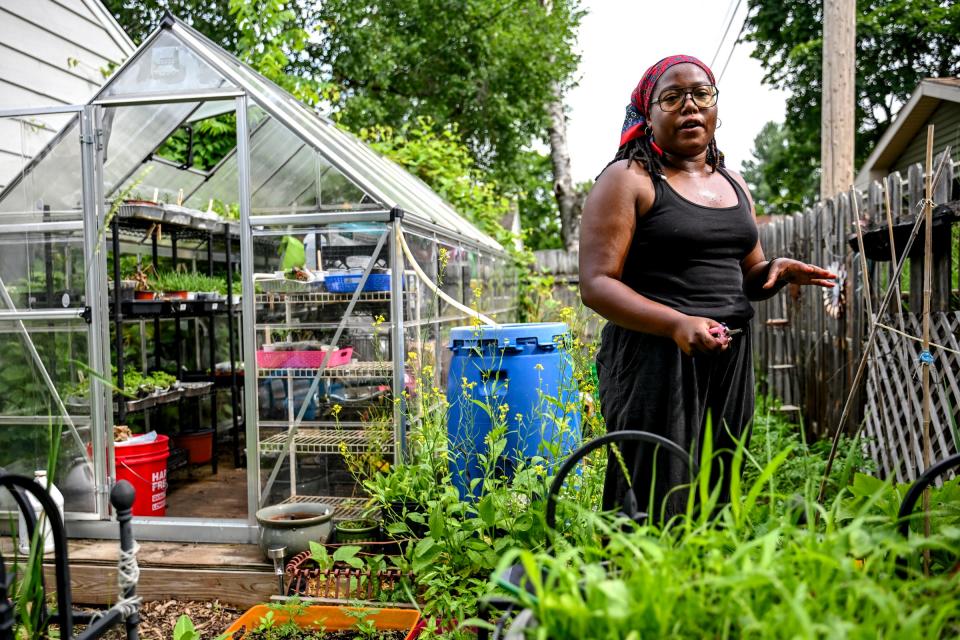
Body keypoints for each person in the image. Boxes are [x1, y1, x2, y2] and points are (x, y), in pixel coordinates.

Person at [579, 55, 836, 519]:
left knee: (721, 482)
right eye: (672, 98)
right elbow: (597, 285)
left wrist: (777, 270)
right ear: (648, 114)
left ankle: (705, 584)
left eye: (701, 95)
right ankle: (635, 585)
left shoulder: (734, 183)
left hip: (728, 351)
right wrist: (678, 323)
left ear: (716, 107)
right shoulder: (628, 180)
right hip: (654, 356)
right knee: (656, 489)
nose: (689, 107)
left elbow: (749, 273)